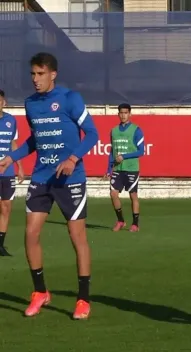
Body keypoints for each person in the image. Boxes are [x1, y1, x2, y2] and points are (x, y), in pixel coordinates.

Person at [0, 52, 98, 319]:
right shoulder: (31, 104)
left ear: (53, 74)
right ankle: (40, 292)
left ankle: (83, 299)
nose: (35, 79)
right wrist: (13, 156)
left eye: (40, 74)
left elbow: (92, 134)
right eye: (32, 73)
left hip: (70, 179)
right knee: (30, 234)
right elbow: (35, 140)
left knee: (77, 237)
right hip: (42, 177)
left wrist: (73, 158)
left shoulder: (70, 99)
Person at [104, 103, 144, 232]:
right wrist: (108, 169)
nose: (123, 115)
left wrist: (125, 156)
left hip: (131, 168)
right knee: (113, 193)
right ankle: (120, 220)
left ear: (130, 114)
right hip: (118, 169)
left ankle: (135, 224)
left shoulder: (136, 130)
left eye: (126, 113)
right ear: (118, 114)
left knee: (133, 195)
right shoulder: (114, 131)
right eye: (121, 113)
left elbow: (141, 151)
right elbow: (112, 151)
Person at [0, 89, 25, 256]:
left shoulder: (11, 120)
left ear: (4, 102)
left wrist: (20, 167)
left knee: (6, 207)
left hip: (7, 171)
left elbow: (13, 144)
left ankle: (0, 245)